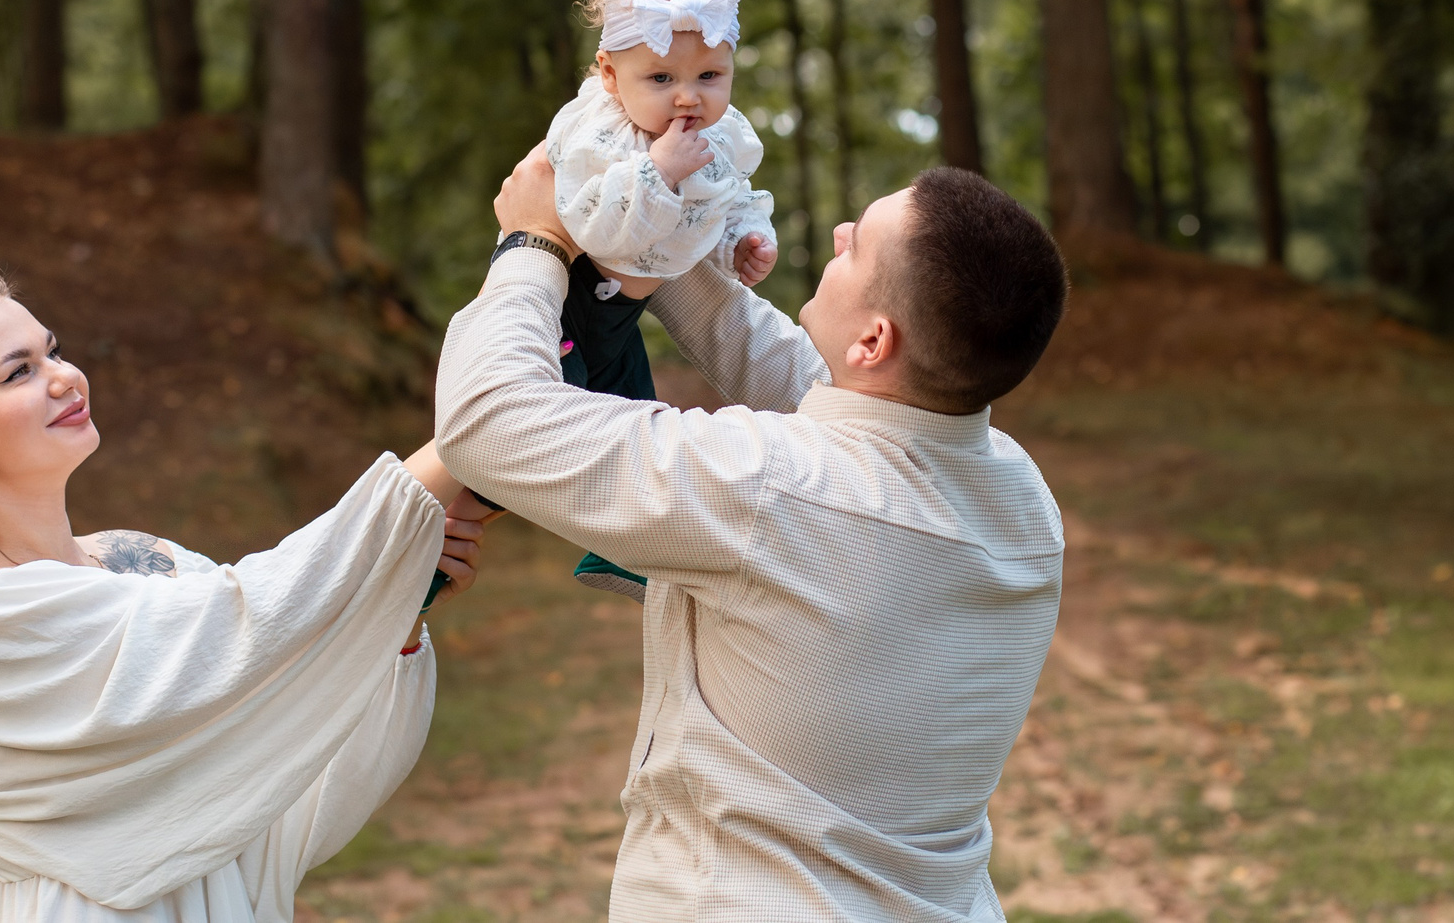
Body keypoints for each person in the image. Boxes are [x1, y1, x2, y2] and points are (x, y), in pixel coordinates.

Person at [438, 152, 1070, 921]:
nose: (838, 232)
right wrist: (637, 224)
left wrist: (532, 243)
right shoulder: (1023, 498)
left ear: (873, 341)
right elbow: (799, 378)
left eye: (857, 244)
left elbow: (488, 422)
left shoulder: (770, 492)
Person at [0, 273, 490, 922]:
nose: (64, 377)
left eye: (54, 350)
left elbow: (283, 757)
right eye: (18, 372)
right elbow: (244, 622)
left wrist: (402, 610)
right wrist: (473, 433)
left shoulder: (140, 558)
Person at [539, 0, 778, 598]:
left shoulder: (717, 136)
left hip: (619, 308)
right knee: (524, 437)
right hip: (565, 298)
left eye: (709, 76)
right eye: (662, 78)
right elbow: (595, 223)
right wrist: (654, 174)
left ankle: (622, 550)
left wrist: (744, 243)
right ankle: (422, 557)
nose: (687, 97)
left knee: (632, 421)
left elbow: (732, 197)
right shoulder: (602, 135)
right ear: (611, 76)